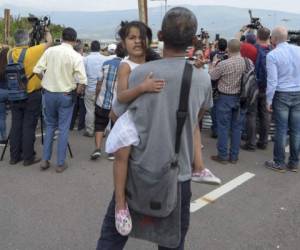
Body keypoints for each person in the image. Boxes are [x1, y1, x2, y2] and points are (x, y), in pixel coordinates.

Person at [96, 7, 212, 249]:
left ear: (159, 35)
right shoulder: (201, 77)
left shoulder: (142, 74)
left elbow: (115, 113)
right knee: (172, 242)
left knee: (112, 237)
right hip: (177, 175)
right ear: (192, 41)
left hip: (138, 173)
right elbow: (196, 119)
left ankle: (120, 208)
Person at [105, 20, 165, 236]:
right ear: (123, 42)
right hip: (130, 117)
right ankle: (121, 205)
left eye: (141, 37)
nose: (138, 41)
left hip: (151, 119)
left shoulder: (155, 62)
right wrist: (143, 87)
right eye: (132, 37)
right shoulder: (125, 65)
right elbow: (121, 95)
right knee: (123, 154)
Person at [34, 27, 87, 173]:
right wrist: (77, 91)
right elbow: (82, 80)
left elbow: (37, 70)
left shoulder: (50, 51)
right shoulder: (76, 56)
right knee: (63, 129)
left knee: (50, 126)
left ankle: (45, 160)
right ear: (75, 41)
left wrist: (46, 80)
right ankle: (60, 163)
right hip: (65, 94)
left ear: (61, 38)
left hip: (49, 93)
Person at [9, 28, 52, 166]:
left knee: (16, 125)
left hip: (15, 94)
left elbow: (20, 39)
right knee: (29, 125)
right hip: (31, 94)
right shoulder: (32, 52)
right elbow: (49, 42)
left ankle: (14, 156)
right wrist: (46, 30)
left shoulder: (10, 53)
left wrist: (30, 30)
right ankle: (28, 157)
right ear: (27, 39)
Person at [209, 39, 253, 164]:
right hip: (242, 98)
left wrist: (213, 64)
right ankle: (234, 156)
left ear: (228, 49)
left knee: (223, 127)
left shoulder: (224, 64)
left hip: (225, 97)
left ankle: (222, 156)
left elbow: (212, 77)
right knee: (237, 128)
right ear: (240, 49)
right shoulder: (248, 62)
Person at [265, 26, 300, 173]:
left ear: (274, 38)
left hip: (281, 93)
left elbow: (272, 81)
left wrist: (269, 100)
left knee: (281, 129)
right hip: (298, 92)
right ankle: (294, 162)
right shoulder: (298, 50)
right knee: (296, 130)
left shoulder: (272, 55)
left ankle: (279, 162)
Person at [90, 43, 125, 161]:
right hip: (118, 104)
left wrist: (96, 97)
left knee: (99, 125)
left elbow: (99, 83)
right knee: (115, 128)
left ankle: (97, 149)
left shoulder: (105, 64)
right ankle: (111, 152)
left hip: (102, 101)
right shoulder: (126, 67)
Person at [241, 27, 272, 151]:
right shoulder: (272, 51)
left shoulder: (252, 50)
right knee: (264, 114)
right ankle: (263, 141)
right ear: (269, 37)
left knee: (251, 114)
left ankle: (251, 143)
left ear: (257, 36)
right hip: (267, 87)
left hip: (254, 86)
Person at [83, 40, 109, 137]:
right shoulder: (105, 59)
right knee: (102, 110)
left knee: (90, 110)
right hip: (102, 89)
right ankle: (103, 131)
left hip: (90, 88)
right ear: (99, 48)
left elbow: (83, 74)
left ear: (91, 48)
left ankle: (90, 130)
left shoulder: (86, 59)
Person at [70, 39, 86, 131]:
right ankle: (81, 126)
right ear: (81, 49)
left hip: (72, 84)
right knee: (82, 106)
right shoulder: (83, 59)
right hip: (82, 84)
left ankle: (70, 125)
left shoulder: (70, 57)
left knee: (73, 106)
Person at [0, 47, 9, 145]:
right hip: (11, 92)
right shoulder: (11, 65)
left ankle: (3, 138)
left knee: (1, 117)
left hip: (0, 92)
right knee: (17, 115)